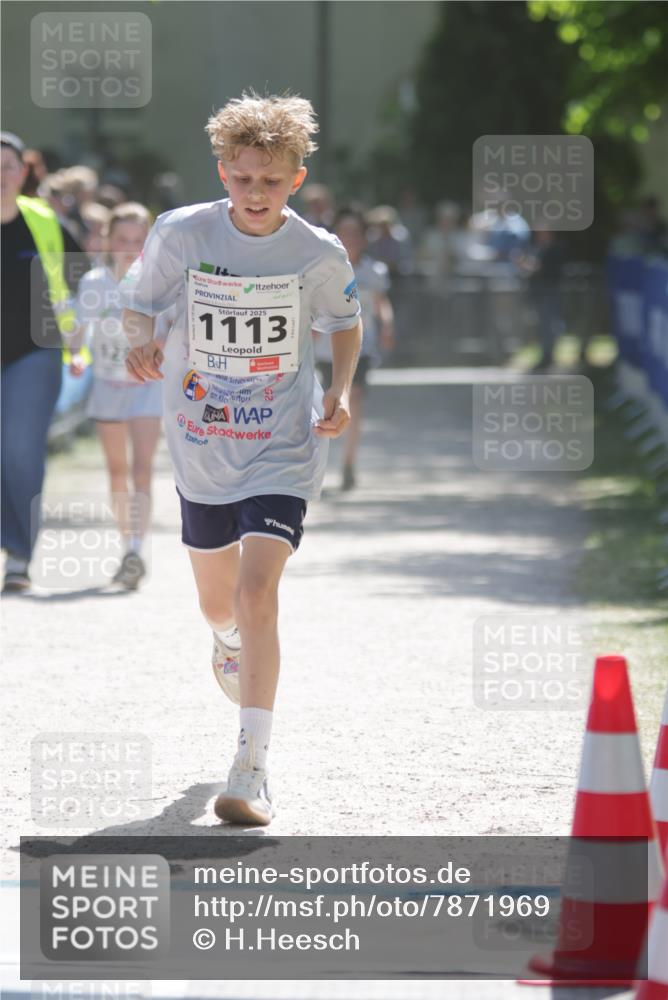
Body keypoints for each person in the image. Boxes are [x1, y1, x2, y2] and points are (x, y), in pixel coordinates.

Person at [120, 93, 362, 825]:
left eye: (273, 180)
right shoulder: (181, 233)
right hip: (201, 438)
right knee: (218, 603)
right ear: (223, 171)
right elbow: (139, 302)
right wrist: (139, 338)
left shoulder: (317, 252)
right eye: (243, 178)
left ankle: (251, 766)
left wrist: (342, 392)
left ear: (297, 177)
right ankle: (225, 640)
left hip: (282, 443)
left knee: (260, 592)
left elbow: (344, 326)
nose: (256, 195)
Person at [1, 132, 83, 592]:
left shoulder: (43, 220)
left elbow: (82, 277)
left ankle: (18, 553)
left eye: (8, 166)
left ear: (24, 172)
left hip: (36, 350)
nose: (1, 176)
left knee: (19, 447)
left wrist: (81, 339)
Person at [70, 203, 162, 589]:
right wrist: (75, 354)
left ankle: (136, 550)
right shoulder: (94, 282)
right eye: (122, 239)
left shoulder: (157, 282)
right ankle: (126, 542)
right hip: (108, 386)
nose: (129, 247)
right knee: (117, 471)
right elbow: (78, 329)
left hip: (145, 387)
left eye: (138, 240)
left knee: (141, 468)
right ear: (108, 241)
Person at [314, 208, 394, 490]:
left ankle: (349, 461)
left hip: (362, 346)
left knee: (353, 399)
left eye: (356, 234)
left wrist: (386, 325)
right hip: (325, 347)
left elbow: (381, 303)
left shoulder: (374, 271)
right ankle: (317, 466)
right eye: (345, 233)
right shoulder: (321, 268)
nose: (351, 239)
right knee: (320, 406)